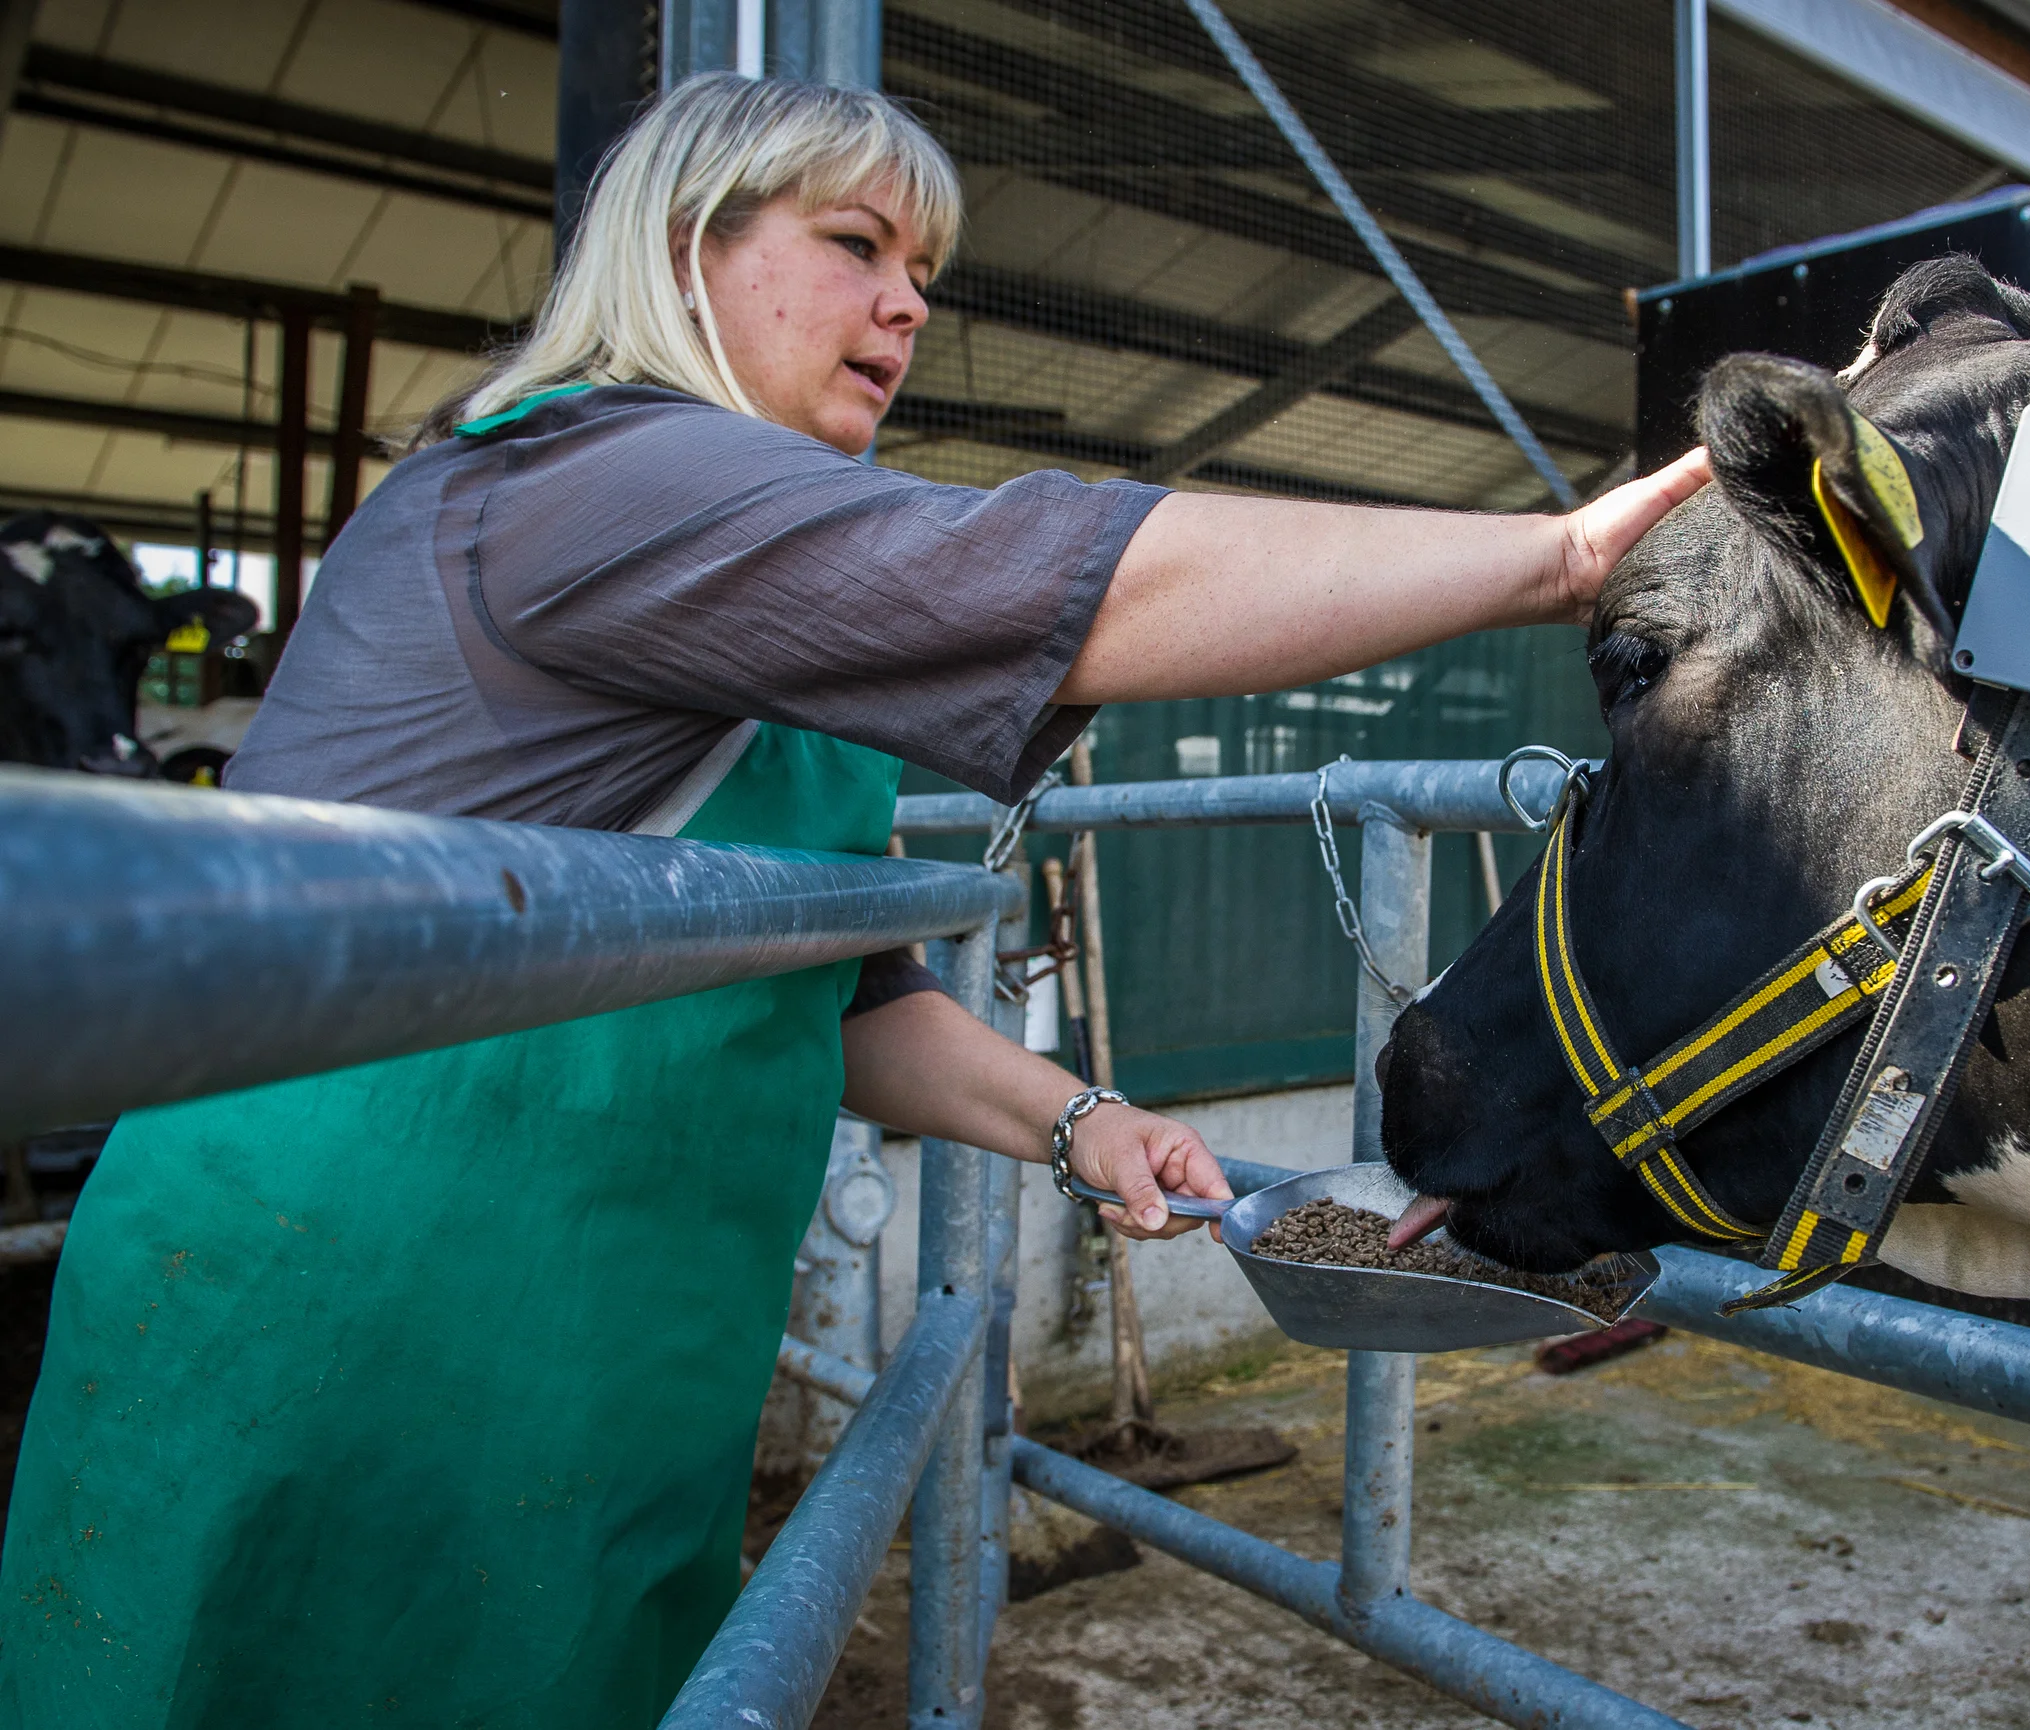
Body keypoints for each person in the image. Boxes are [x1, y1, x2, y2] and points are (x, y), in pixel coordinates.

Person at [0, 74, 1708, 1729]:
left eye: (922, 278)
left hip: (609, 1335)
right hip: (358, 1281)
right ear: (683, 246)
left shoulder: (757, 600)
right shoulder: (574, 478)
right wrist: (1550, 561)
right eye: (854, 247)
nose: (903, 312)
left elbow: (843, 991)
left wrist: (1083, 1115)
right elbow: (1063, 577)